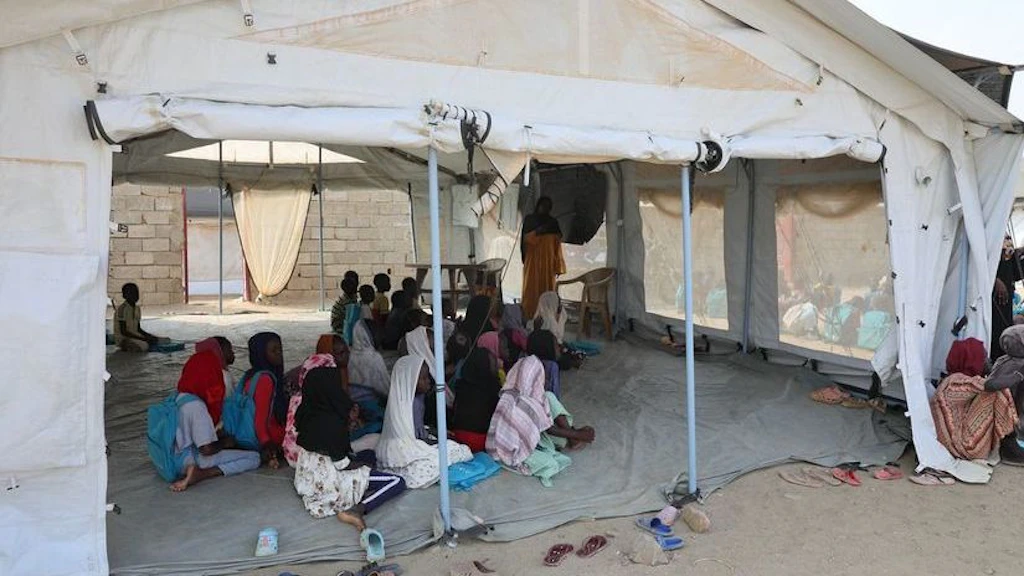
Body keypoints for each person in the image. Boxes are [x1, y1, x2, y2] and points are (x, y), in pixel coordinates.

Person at [293, 365, 406, 530]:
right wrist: (362, 467)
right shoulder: (331, 423)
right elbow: (342, 464)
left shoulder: (305, 413)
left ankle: (362, 485)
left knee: (368, 454)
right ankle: (358, 509)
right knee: (396, 481)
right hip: (330, 480)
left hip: (309, 476)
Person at [487, 355, 594, 487]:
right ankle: (573, 437)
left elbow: (543, 425)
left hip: (530, 437)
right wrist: (580, 435)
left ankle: (572, 437)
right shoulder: (524, 401)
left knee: (548, 397)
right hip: (510, 450)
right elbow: (548, 429)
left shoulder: (520, 393)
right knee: (551, 464)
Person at [375, 356, 472, 489]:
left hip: (406, 444)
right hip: (406, 447)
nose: (429, 382)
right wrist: (438, 442)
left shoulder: (412, 399)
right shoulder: (410, 405)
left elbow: (420, 428)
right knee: (458, 450)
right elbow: (415, 438)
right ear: (411, 381)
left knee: (451, 446)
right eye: (424, 378)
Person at [170, 350, 260, 491]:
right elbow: (206, 449)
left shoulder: (181, 395)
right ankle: (202, 474)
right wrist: (226, 442)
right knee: (254, 458)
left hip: (174, 456)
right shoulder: (197, 406)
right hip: (190, 460)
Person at [931, 337, 1018, 462]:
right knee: (998, 391)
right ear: (971, 360)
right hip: (966, 448)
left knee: (994, 390)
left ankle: (1008, 441)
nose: (988, 361)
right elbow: (993, 385)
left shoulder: (952, 380)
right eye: (983, 357)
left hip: (955, 444)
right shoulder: (955, 381)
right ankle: (1009, 444)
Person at [239, 332, 288, 467]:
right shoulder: (265, 380)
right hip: (270, 438)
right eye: (273, 350)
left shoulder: (250, 374)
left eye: (280, 349)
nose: (279, 354)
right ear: (261, 353)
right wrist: (268, 446)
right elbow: (260, 420)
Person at [451, 347, 503, 452]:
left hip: (458, 436)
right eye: (492, 364)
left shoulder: (461, 385)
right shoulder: (492, 386)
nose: (496, 367)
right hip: (481, 440)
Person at [521, 197, 566, 318]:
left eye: (547, 206)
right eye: (542, 205)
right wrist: (538, 231)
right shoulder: (530, 220)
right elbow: (525, 240)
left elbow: (557, 246)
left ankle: (546, 317)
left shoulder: (553, 223)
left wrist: (558, 266)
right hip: (532, 261)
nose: (544, 208)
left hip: (548, 262)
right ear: (538, 205)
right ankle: (529, 315)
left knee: (546, 290)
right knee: (531, 289)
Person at [992, 236, 1024, 360]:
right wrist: (995, 280)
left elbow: (1013, 270)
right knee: (995, 334)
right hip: (993, 298)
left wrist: (1019, 252)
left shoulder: (1005, 234)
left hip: (1006, 299)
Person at [113, 282, 165, 352]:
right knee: (144, 346)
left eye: (136, 292)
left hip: (135, 336)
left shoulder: (137, 308)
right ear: (124, 296)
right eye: (131, 293)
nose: (134, 295)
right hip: (124, 339)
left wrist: (149, 336)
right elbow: (124, 332)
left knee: (163, 340)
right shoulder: (122, 309)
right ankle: (125, 346)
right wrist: (143, 339)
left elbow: (138, 329)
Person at [348, 320, 391, 398]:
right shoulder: (375, 358)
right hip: (372, 403)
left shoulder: (349, 355)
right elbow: (385, 389)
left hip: (352, 401)